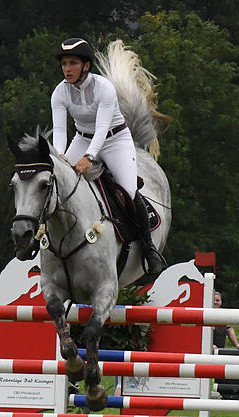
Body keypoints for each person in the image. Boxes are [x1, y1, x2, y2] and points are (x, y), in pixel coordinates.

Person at [50, 37, 166, 274]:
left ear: (86, 66)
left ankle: (149, 248)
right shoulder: (60, 92)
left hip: (115, 140)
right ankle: (48, 244)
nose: (67, 69)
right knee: (54, 184)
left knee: (129, 191)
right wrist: (60, 158)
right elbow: (60, 131)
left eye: (72, 63)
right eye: (64, 64)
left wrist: (89, 158)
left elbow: (102, 129)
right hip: (82, 138)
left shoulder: (103, 88)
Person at [211, 291, 239, 400]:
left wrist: (237, 345)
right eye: (214, 300)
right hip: (208, 351)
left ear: (221, 302)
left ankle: (227, 394)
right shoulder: (206, 314)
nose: (216, 302)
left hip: (220, 350)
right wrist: (210, 345)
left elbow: (230, 330)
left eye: (218, 300)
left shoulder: (223, 315)